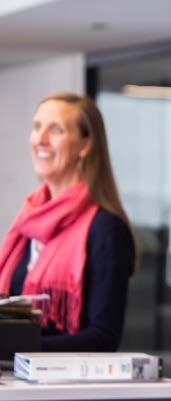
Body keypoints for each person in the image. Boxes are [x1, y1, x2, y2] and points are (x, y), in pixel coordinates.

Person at [0, 93, 137, 352]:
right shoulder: (29, 223)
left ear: (85, 145)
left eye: (56, 130)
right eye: (37, 127)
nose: (40, 140)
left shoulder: (105, 229)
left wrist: (16, 347)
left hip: (62, 378)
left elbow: (103, 338)